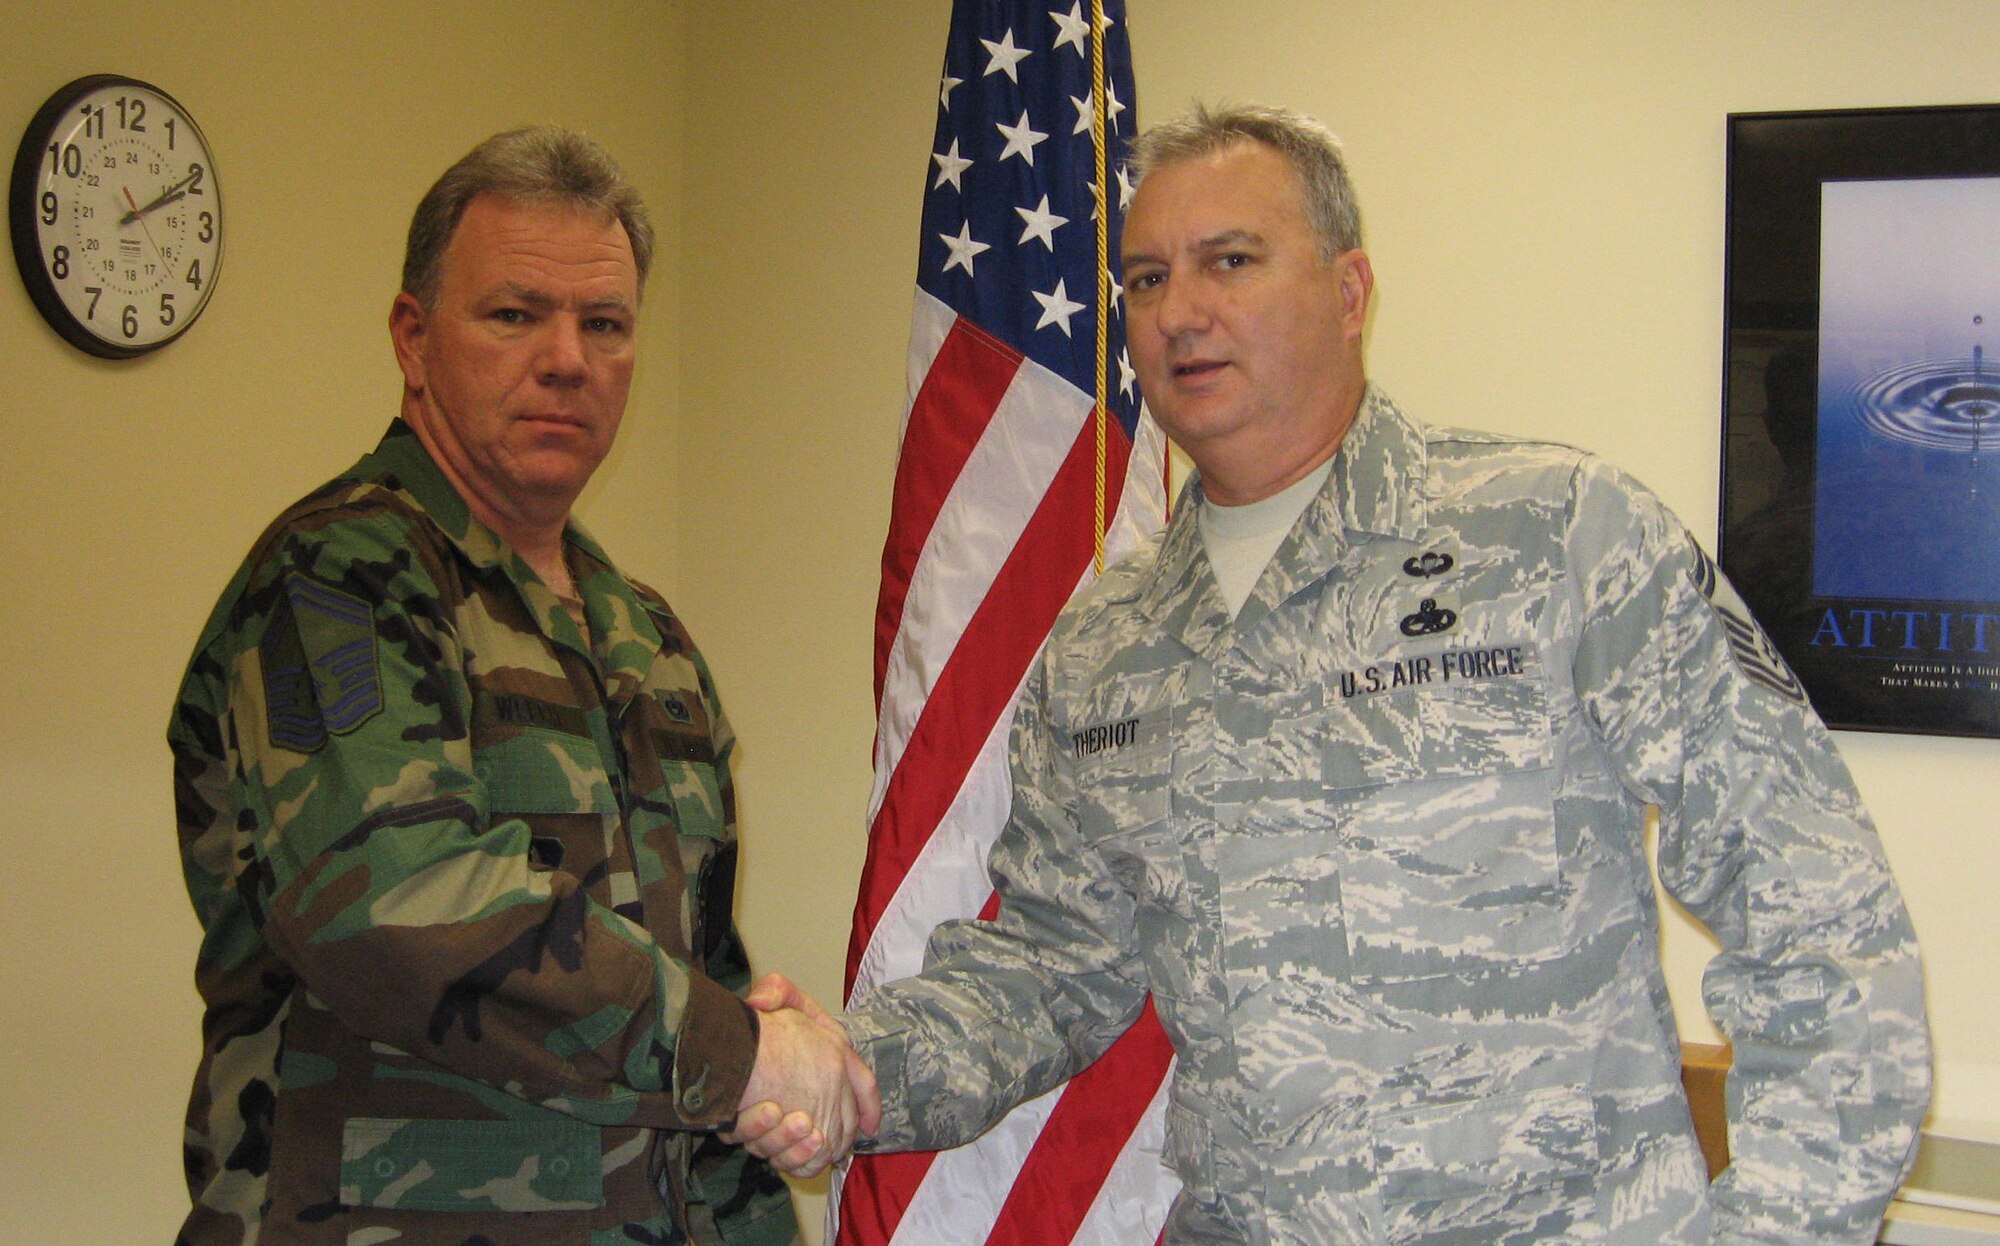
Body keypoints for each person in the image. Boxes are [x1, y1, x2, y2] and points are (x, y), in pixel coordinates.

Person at [735, 104, 1931, 1244]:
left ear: (1349, 291)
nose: (1178, 312)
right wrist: (853, 1067)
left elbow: (1820, 918)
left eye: (1231, 261)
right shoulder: (1104, 647)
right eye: (1144, 279)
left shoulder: (1557, 534)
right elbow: (1051, 966)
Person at [168, 126, 869, 1246]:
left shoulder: (648, 635)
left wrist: (763, 1084)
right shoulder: (338, 580)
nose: (566, 359)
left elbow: (692, 967)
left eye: (604, 324)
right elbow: (402, 904)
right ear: (413, 336)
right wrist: (740, 1052)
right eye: (514, 314)